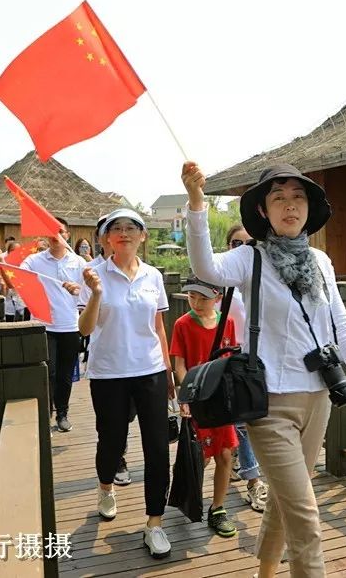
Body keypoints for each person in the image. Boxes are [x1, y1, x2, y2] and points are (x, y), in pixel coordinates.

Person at [182, 161, 346, 578]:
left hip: (318, 398)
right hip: (268, 404)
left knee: (286, 500)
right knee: (306, 514)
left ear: (308, 208)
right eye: (278, 198)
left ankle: (265, 572)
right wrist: (198, 204)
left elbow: (339, 327)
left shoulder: (321, 262)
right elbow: (205, 268)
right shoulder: (249, 258)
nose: (289, 206)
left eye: (298, 197)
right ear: (264, 212)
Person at [79, 208, 174, 560]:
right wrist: (95, 295)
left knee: (157, 447)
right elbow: (85, 329)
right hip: (108, 372)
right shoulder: (93, 274)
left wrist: (167, 370)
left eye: (132, 228)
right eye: (115, 228)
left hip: (149, 370)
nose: (124, 233)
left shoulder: (153, 276)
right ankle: (106, 487)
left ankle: (155, 523)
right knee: (112, 442)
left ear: (143, 236)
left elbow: (158, 326)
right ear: (105, 238)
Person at [171, 276, 241, 537]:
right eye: (192, 296)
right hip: (198, 399)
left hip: (222, 400)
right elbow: (180, 364)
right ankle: (191, 498)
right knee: (201, 455)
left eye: (203, 298)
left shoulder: (228, 322)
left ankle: (218, 507)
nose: (197, 302)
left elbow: (231, 358)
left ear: (218, 298)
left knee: (225, 454)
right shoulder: (183, 324)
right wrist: (185, 396)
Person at [20, 217, 86, 433]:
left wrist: (78, 289)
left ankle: (63, 413)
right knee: (49, 372)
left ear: (67, 235)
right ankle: (45, 412)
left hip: (69, 326)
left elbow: (91, 292)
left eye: (60, 231)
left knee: (65, 374)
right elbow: (19, 275)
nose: (55, 236)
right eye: (50, 231)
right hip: (44, 325)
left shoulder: (78, 263)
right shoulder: (35, 260)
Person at [222, 223, 269, 512]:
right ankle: (249, 477)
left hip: (251, 359)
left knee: (244, 421)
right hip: (223, 357)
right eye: (235, 244)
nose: (241, 249)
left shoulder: (261, 278)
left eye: (248, 243)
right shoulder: (220, 278)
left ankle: (252, 478)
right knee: (237, 421)